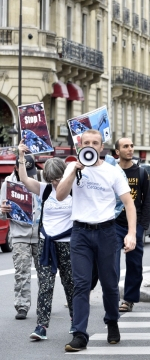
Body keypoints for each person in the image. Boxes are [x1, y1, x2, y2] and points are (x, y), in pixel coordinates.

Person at [55, 129, 137, 352]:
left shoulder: (113, 172)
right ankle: (79, 334)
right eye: (86, 142)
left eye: (95, 143)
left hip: (107, 233)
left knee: (110, 285)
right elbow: (60, 195)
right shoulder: (72, 167)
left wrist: (131, 233)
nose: (91, 145)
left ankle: (112, 321)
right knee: (81, 285)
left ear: (102, 147)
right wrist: (74, 171)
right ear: (80, 145)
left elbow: (129, 204)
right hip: (80, 233)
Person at [14, 145, 74, 340]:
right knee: (46, 285)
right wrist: (21, 156)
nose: (56, 183)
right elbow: (23, 179)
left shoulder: (73, 190)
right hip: (46, 243)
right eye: (52, 179)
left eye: (58, 178)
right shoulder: (45, 190)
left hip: (68, 242)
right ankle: (41, 326)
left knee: (70, 284)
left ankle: (76, 322)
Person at [114, 138, 150, 313]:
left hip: (134, 226)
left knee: (134, 264)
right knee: (110, 263)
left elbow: (146, 202)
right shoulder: (112, 172)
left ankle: (129, 299)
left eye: (131, 146)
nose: (130, 149)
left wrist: (141, 227)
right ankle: (112, 296)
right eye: (125, 146)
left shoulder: (142, 173)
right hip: (113, 225)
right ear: (117, 152)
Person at [0, 153, 40, 320]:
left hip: (40, 235)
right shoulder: (7, 185)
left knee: (44, 272)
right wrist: (3, 211)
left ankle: (45, 303)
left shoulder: (39, 180)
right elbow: (2, 214)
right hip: (19, 236)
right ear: (16, 167)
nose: (29, 173)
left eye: (31, 170)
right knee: (21, 272)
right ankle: (22, 306)